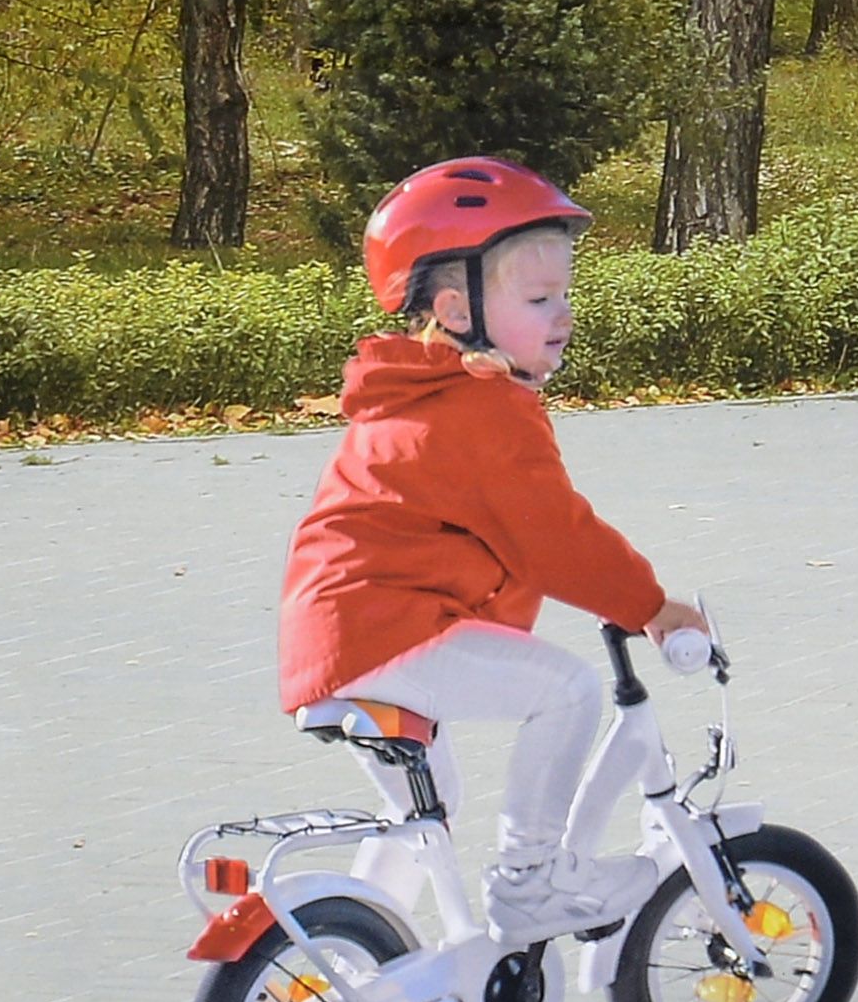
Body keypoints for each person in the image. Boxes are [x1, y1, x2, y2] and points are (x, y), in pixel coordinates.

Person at [276, 156, 707, 945]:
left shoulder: (419, 395)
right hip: (388, 629)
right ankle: (531, 879)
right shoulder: (483, 409)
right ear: (455, 308)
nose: (563, 314)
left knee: (424, 809)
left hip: (339, 633)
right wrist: (650, 607)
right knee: (567, 691)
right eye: (538, 299)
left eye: (565, 294)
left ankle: (349, 961)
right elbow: (555, 538)